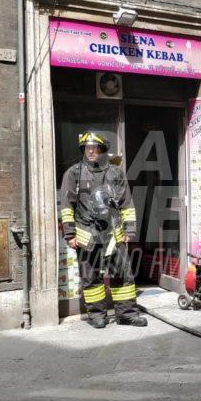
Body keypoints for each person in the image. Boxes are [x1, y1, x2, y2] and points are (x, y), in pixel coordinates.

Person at [59, 130, 147, 328]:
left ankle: (127, 314)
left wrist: (129, 230)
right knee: (91, 276)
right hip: (87, 234)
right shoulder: (73, 173)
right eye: (87, 148)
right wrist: (70, 234)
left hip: (115, 234)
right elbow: (67, 206)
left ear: (102, 149)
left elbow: (126, 203)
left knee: (122, 273)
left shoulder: (116, 173)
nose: (90, 151)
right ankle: (97, 315)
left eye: (94, 147)